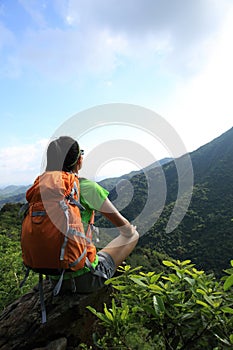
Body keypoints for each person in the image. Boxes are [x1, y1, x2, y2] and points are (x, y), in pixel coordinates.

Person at [45, 136, 139, 293]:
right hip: (84, 280)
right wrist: (130, 229)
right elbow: (125, 229)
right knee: (133, 235)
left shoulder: (44, 188)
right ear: (78, 160)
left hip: (54, 278)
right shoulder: (87, 188)